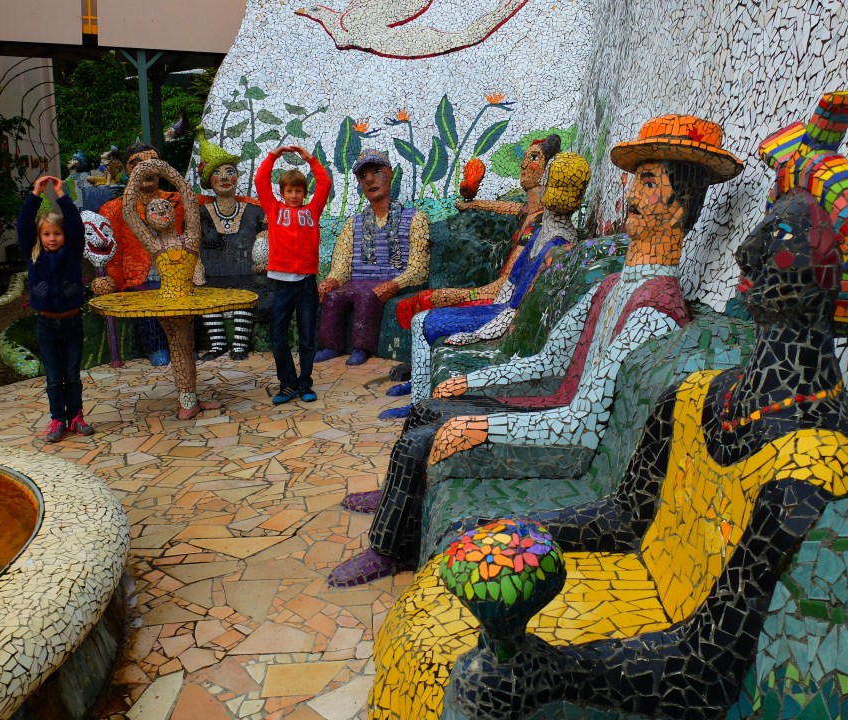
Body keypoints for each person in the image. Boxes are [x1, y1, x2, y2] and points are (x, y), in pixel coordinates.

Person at [369, 91, 848, 720]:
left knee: (459, 668)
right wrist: (522, 531)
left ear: (832, 274)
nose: (747, 251)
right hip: (619, 579)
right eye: (762, 226)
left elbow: (708, 665)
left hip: (651, 639)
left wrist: (552, 671)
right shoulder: (696, 395)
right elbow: (626, 513)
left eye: (781, 234)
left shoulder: (810, 461)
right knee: (429, 619)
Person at [330, 116, 743, 585]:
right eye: (634, 180)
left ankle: (388, 549)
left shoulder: (654, 311)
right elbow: (548, 361)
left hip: (570, 448)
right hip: (552, 407)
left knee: (420, 440)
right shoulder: (612, 286)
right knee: (429, 409)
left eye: (648, 182)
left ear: (677, 207)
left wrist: (483, 426)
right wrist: (472, 381)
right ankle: (398, 498)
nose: (630, 193)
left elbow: (583, 423)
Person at [386, 135, 561, 395]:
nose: (524, 164)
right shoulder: (527, 212)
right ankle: (421, 370)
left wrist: (464, 295)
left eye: (533, 158)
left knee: (430, 299)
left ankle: (421, 378)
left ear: (548, 169)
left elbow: (504, 287)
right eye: (525, 158)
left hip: (499, 302)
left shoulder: (539, 223)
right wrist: (471, 202)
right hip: (499, 296)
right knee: (426, 299)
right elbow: (503, 207)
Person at [90, 159, 257, 420]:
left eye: (166, 207)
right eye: (153, 210)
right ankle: (187, 400)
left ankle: (190, 397)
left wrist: (168, 171)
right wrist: (139, 173)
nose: (161, 210)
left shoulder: (189, 239)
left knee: (186, 347)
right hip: (167, 303)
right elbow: (129, 212)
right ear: (148, 219)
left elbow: (188, 200)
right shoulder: (154, 245)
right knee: (179, 347)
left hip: (189, 299)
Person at [315, 149, 430, 366]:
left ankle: (362, 348)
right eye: (363, 176)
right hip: (358, 281)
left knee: (368, 296)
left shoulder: (415, 219)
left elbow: (419, 269)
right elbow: (341, 265)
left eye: (376, 171)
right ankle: (330, 345)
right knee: (333, 297)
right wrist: (331, 281)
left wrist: (395, 284)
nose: (369, 179)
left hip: (389, 281)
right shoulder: (353, 223)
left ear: (389, 174)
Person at [17, 175, 94, 443]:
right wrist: (35, 194)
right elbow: (23, 225)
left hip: (72, 324)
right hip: (46, 326)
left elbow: (75, 226)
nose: (52, 238)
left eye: (57, 233)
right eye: (47, 234)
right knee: (53, 377)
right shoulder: (33, 255)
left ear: (65, 235)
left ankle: (76, 417)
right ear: (39, 236)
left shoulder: (72, 252)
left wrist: (61, 195)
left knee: (72, 375)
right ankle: (57, 419)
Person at [254, 144, 333, 403]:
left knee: (307, 338)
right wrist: (273, 155)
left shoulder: (312, 211)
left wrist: (309, 158)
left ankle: (305, 384)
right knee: (278, 337)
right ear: (282, 193)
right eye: (289, 191)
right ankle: (287, 384)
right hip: (281, 285)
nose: (294, 195)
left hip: (307, 284)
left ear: (305, 193)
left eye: (299, 191)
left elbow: (325, 182)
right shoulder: (274, 209)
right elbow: (260, 180)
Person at [100, 143, 178, 366]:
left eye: (153, 163)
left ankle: (182, 344)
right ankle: (156, 348)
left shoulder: (177, 200)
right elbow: (113, 253)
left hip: (175, 271)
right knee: (148, 304)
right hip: (139, 278)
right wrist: (114, 282)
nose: (147, 168)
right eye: (138, 164)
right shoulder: (113, 209)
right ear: (127, 170)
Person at [196, 130, 268, 361]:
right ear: (209, 180)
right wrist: (197, 268)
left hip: (246, 275)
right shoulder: (199, 214)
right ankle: (218, 344)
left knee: (245, 297)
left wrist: (264, 257)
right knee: (208, 299)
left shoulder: (255, 212)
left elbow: (267, 237)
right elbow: (191, 245)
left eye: (230, 171)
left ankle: (239, 344)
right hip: (212, 276)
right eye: (217, 172)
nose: (224, 177)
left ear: (237, 177)